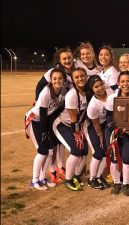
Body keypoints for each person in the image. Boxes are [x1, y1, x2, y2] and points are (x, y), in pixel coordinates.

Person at [34, 47, 74, 182]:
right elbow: (40, 85)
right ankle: (40, 177)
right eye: (64, 58)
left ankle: (59, 168)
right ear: (59, 60)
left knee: (58, 144)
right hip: (41, 115)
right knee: (45, 148)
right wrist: (37, 100)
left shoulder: (72, 73)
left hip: (56, 113)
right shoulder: (53, 73)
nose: (67, 60)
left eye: (69, 57)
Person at [25, 69, 66, 190]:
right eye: (54, 78)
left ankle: (42, 178)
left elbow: (55, 112)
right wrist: (45, 132)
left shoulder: (63, 91)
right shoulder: (46, 92)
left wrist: (49, 128)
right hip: (35, 120)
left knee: (50, 151)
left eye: (60, 78)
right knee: (43, 150)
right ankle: (34, 180)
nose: (57, 81)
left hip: (46, 121)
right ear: (51, 80)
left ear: (64, 80)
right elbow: (42, 114)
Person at [53, 67, 89, 191]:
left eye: (82, 76)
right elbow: (73, 119)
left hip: (76, 125)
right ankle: (68, 179)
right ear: (73, 80)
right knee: (76, 149)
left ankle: (77, 176)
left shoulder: (88, 92)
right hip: (63, 125)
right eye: (77, 77)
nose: (80, 79)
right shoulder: (72, 95)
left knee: (84, 149)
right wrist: (78, 134)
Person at [85, 75, 113, 189]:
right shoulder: (93, 104)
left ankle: (98, 175)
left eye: (101, 84)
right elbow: (96, 123)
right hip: (94, 126)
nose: (100, 88)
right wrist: (100, 136)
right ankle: (91, 178)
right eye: (96, 87)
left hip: (107, 124)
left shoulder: (110, 92)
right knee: (98, 151)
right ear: (92, 89)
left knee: (106, 151)